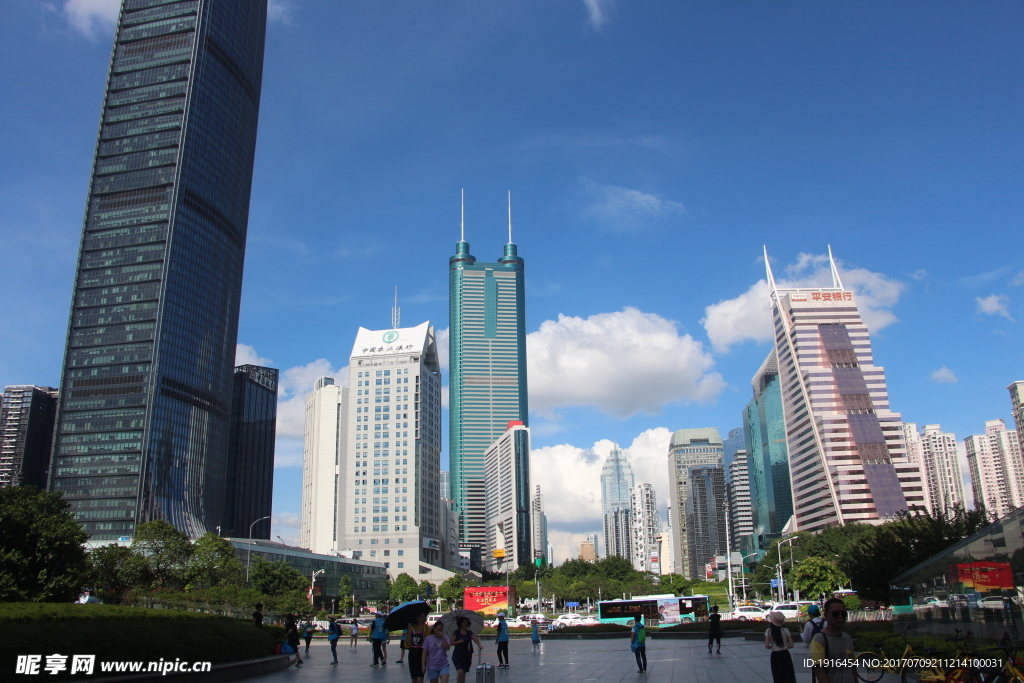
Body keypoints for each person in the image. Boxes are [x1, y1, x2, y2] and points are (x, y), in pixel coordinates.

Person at [810, 598, 855, 683]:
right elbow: (819, 670)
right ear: (826, 616)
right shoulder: (819, 639)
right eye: (835, 614)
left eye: (843, 613)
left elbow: (852, 667)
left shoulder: (848, 638)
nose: (840, 616)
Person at [765, 612, 796, 683]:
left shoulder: (768, 631)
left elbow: (767, 645)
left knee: (777, 675)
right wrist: (784, 646)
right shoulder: (786, 630)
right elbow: (791, 644)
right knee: (788, 674)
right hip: (785, 654)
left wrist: (773, 646)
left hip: (775, 655)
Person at [450, 616, 483, 683]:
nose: (465, 624)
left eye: (466, 622)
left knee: (463, 673)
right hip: (458, 655)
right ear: (460, 623)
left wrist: (479, 645)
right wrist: (458, 642)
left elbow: (475, 639)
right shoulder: (456, 632)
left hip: (467, 655)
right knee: (460, 672)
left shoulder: (469, 633)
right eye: (464, 622)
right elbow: (451, 643)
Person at [405, 612, 429, 683]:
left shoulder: (427, 628)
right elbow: (409, 643)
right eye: (419, 617)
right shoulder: (412, 627)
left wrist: (422, 631)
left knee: (420, 678)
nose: (421, 619)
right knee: (414, 679)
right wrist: (409, 629)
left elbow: (426, 643)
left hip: (422, 654)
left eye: (423, 617)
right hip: (413, 653)